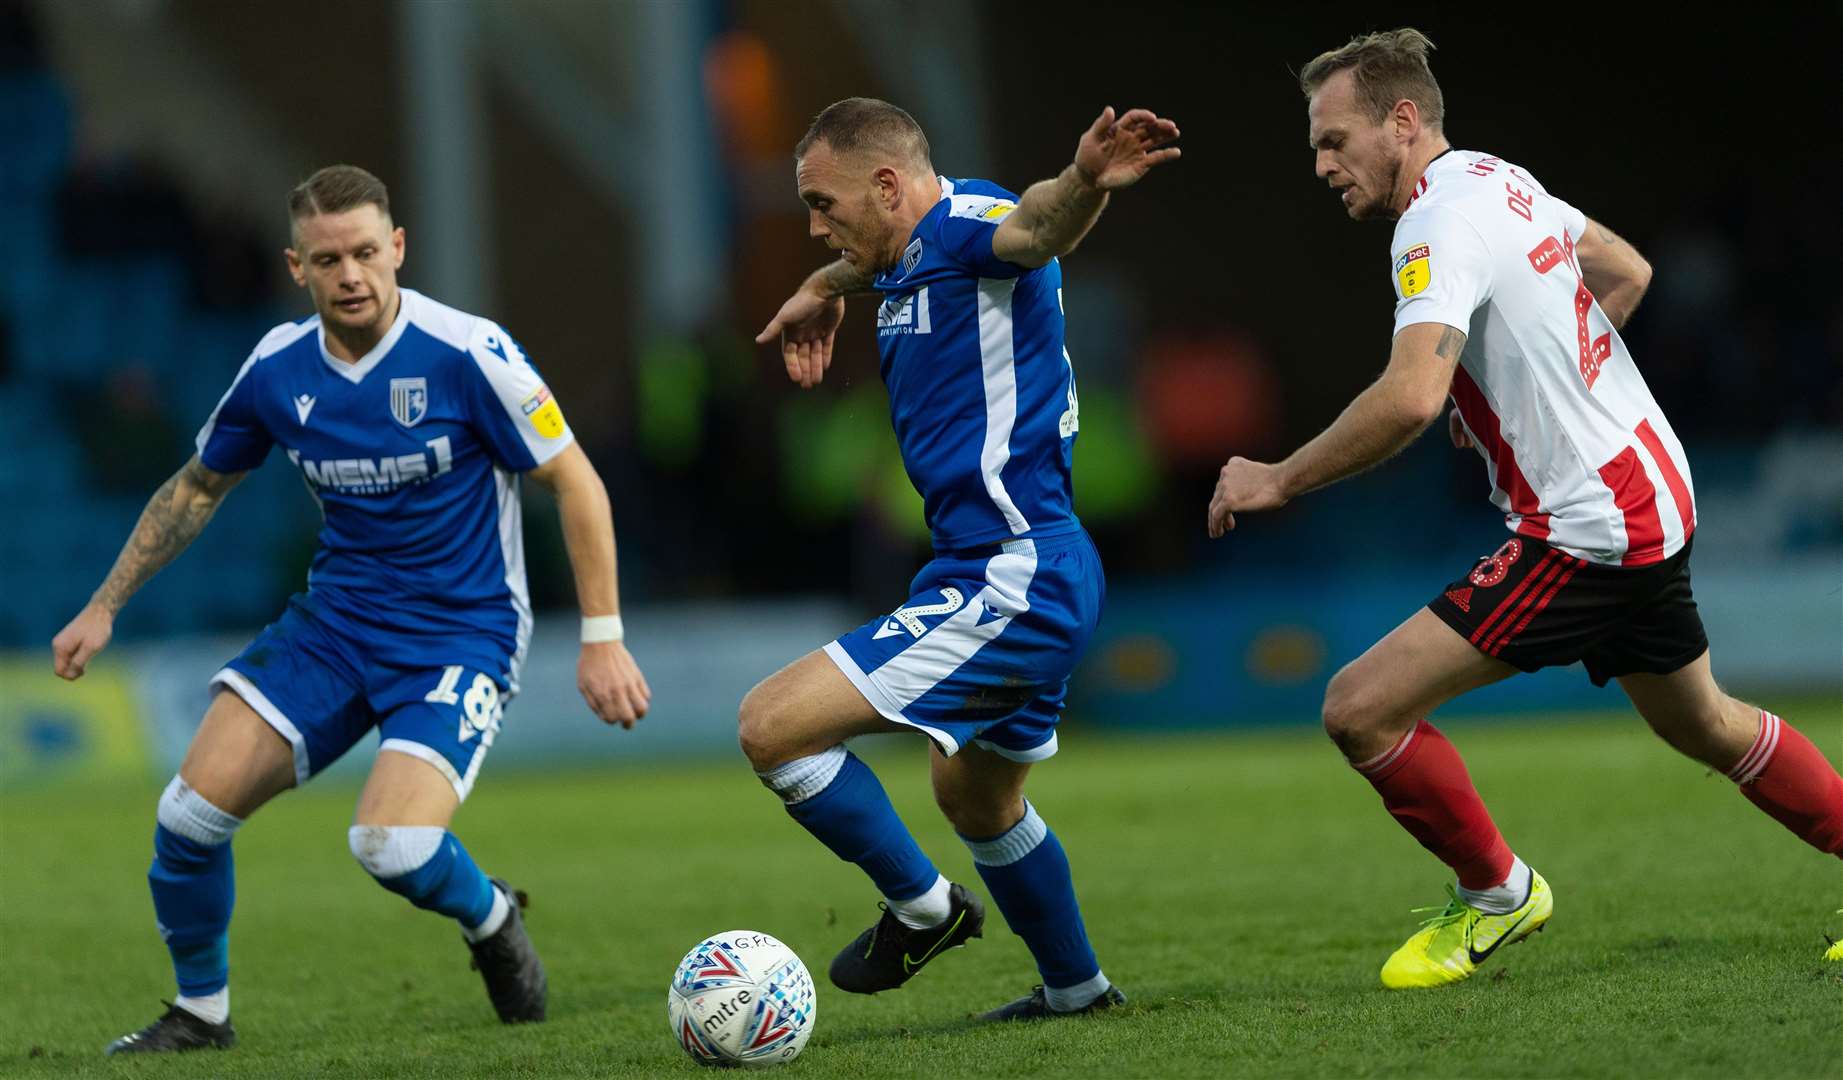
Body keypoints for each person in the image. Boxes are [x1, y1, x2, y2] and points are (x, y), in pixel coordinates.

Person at [1206, 28, 1843, 987]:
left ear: (1403, 121)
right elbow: (1625, 272)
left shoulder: (1433, 224)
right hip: (1651, 489)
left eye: (1334, 140)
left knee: (1358, 709)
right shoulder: (1498, 179)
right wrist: (1533, 387)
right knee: (1700, 724)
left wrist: (1280, 476)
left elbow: (1410, 396)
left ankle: (1498, 895)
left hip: (1587, 525)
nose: (1321, 165)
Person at [51, 165, 653, 1054]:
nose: (352, 275)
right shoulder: (277, 369)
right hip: (333, 628)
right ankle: (200, 1016)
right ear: (298, 266)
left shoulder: (467, 352)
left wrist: (603, 637)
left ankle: (489, 917)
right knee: (185, 819)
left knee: (392, 849)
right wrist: (103, 607)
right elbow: (195, 488)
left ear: (398, 247)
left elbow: (575, 481)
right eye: (328, 259)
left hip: (461, 634)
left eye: (367, 253)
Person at [743, 98, 1177, 1019]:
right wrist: (825, 284)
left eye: (824, 203)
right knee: (976, 799)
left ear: (889, 184)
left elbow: (1034, 226)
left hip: (1011, 573)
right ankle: (1076, 991)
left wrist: (1086, 182)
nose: (816, 225)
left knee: (772, 728)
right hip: (1020, 566)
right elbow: (906, 258)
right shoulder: (916, 249)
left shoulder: (974, 223)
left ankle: (923, 908)